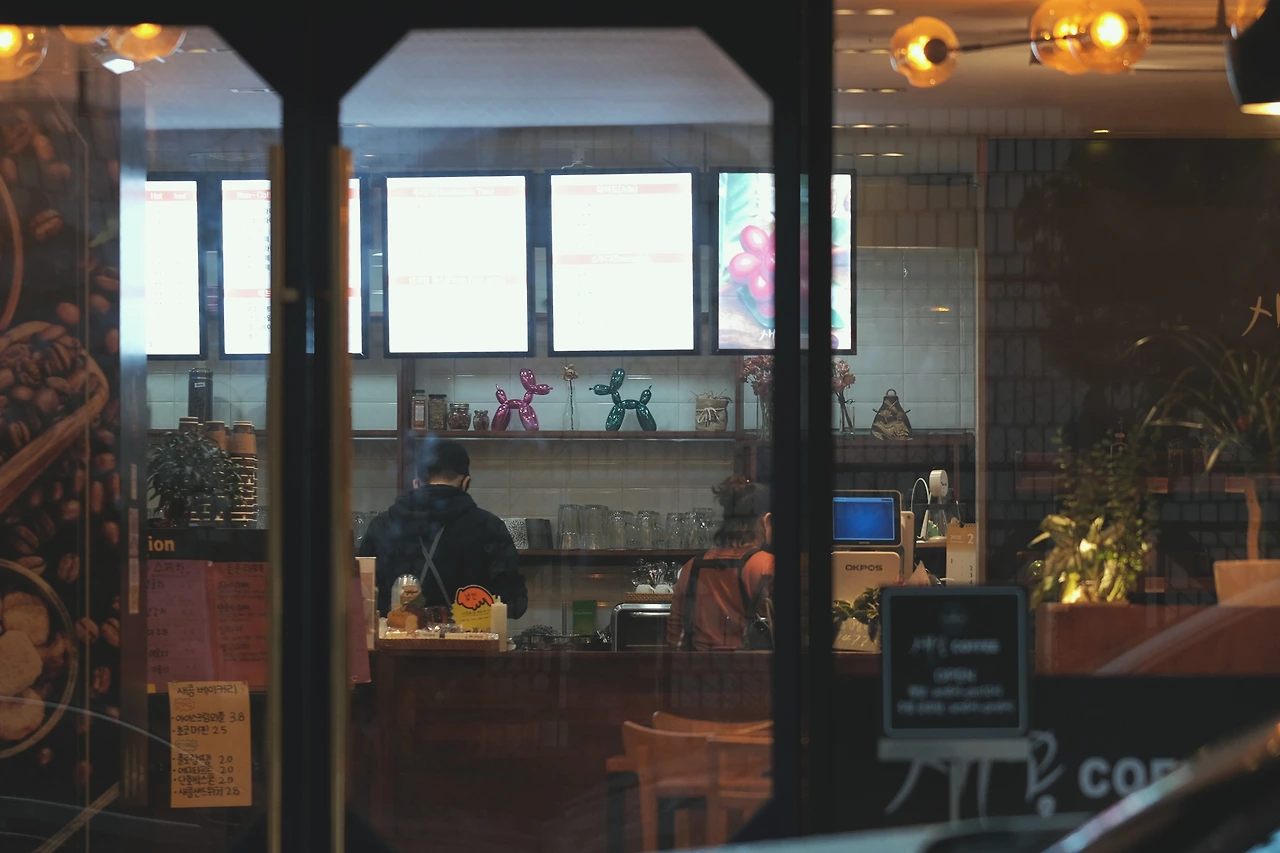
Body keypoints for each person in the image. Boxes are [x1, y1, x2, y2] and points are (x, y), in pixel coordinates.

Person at [360, 439, 528, 619]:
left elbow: (362, 599)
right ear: (466, 483)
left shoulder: (382, 525)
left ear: (416, 484)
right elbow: (514, 604)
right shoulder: (490, 527)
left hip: (398, 635)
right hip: (471, 636)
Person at [667, 476, 773, 651]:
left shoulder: (691, 567)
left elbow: (676, 638)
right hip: (749, 666)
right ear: (765, 520)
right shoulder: (767, 565)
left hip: (699, 666)